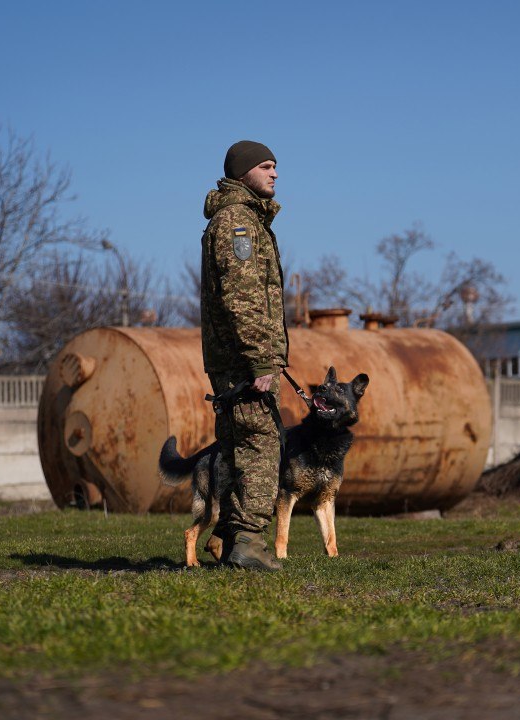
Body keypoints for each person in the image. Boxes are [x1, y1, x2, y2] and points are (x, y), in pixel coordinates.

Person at [199, 140, 288, 571]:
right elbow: (242, 298)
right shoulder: (238, 222)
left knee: (238, 448)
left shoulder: (243, 218)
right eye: (267, 166)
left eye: (275, 167)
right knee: (260, 445)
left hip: (233, 358)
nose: (274, 174)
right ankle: (249, 544)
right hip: (242, 361)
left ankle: (231, 539)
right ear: (243, 172)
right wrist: (260, 360)